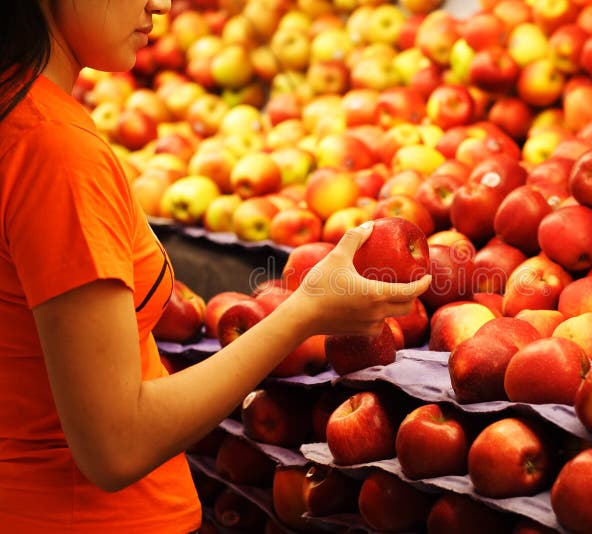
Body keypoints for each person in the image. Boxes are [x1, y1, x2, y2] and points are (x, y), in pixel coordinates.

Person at [0, 1, 431, 532]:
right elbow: (116, 445)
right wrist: (303, 313)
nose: (162, 4)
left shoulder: (15, 115)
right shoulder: (54, 151)